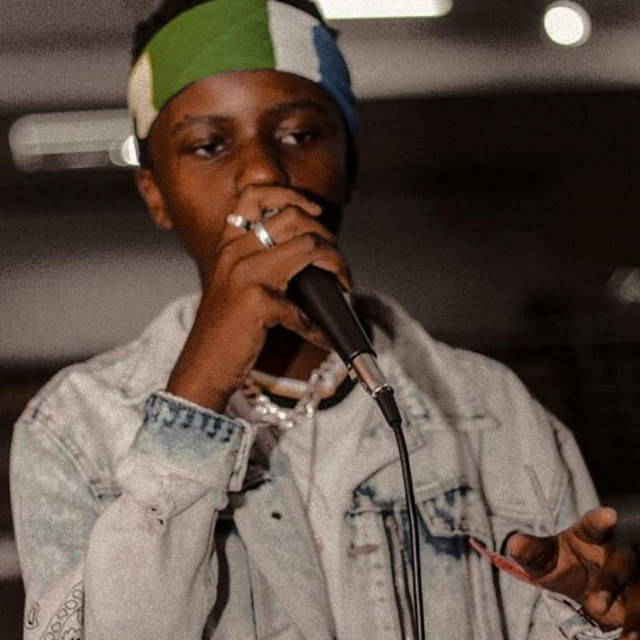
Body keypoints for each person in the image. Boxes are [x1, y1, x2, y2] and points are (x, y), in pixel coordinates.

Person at [10, 0, 639, 638]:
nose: (262, 171)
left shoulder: (489, 407)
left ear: (349, 164)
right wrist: (197, 396)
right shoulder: (75, 425)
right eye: (209, 145)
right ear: (156, 195)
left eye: (299, 135)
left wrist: (602, 621)